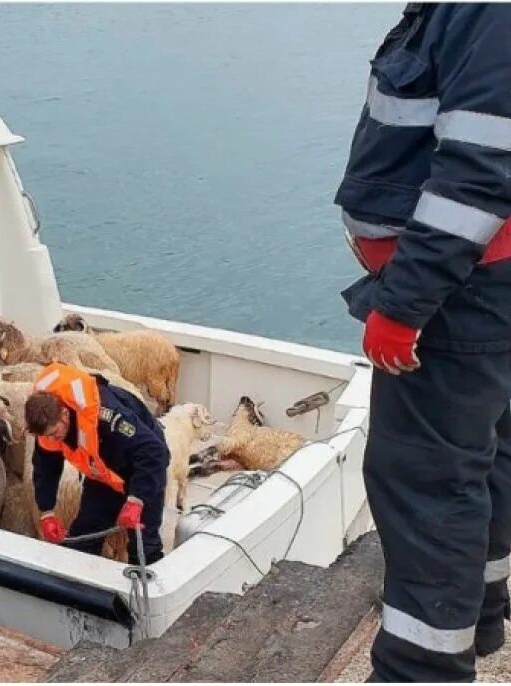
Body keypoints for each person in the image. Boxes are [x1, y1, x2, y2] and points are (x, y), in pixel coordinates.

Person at [334, 4, 511, 681]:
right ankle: (483, 615)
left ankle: (421, 670)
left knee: (427, 484)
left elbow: (478, 174)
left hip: (455, 297)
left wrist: (404, 307)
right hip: (476, 288)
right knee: (481, 458)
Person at [25, 362, 170, 565]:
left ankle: (146, 586)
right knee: (84, 536)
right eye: (49, 436)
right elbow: (45, 467)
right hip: (103, 473)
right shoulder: (48, 428)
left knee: (143, 546)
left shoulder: (108, 416)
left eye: (55, 433)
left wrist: (137, 499)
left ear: (65, 414)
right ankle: (75, 587)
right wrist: (46, 512)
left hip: (142, 467)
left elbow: (154, 452)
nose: (54, 439)